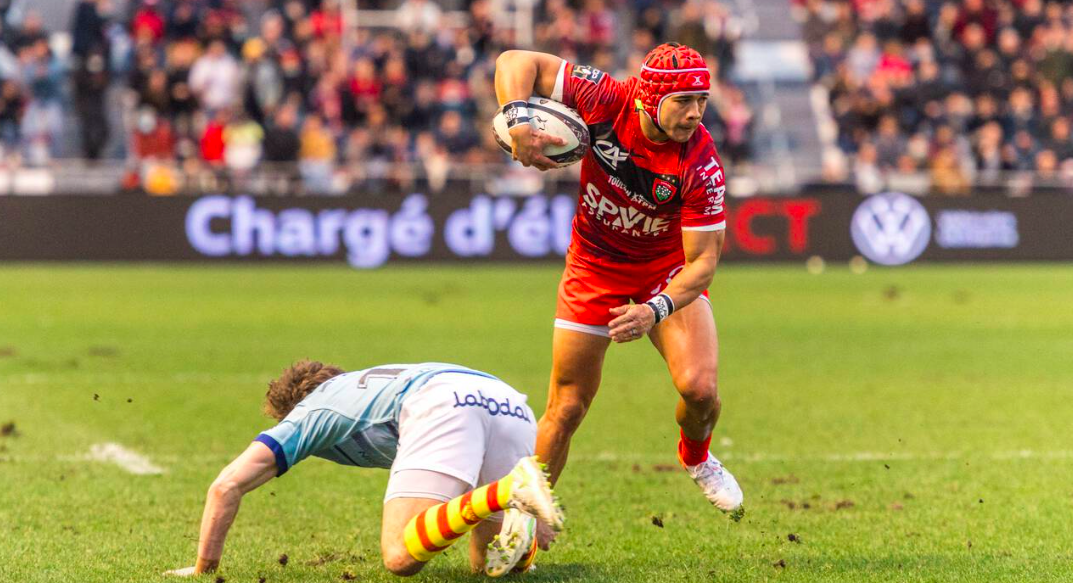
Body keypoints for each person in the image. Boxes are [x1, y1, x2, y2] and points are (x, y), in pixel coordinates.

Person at [493, 43, 744, 517]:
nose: (696, 113)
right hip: (594, 266)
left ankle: (696, 456)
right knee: (567, 406)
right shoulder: (605, 97)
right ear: (649, 97)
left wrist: (654, 309)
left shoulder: (701, 164)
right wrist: (517, 118)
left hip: (664, 272)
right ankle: (523, 523)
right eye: (683, 101)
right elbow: (513, 62)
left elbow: (703, 263)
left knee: (700, 390)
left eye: (702, 100)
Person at [163, 360, 563, 578]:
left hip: (441, 401)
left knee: (400, 555)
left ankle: (509, 491)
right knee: (489, 566)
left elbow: (226, 486)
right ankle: (522, 513)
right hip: (508, 400)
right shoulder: (359, 387)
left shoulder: (309, 412)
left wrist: (203, 571)